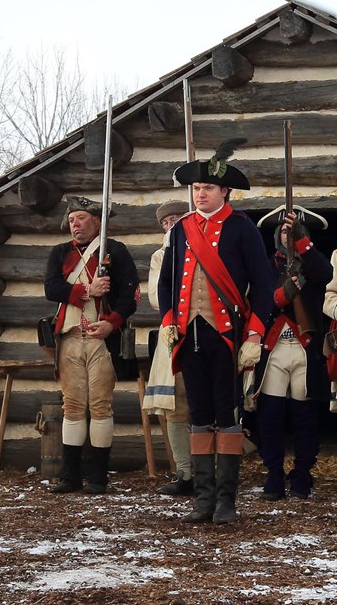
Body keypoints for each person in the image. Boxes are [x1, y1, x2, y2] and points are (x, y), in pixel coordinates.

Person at [158, 139, 273, 525]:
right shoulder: (182, 230)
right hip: (188, 332)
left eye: (208, 188)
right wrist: (170, 320)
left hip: (227, 334)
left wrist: (255, 333)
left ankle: (226, 500)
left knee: (227, 414)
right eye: (196, 188)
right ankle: (203, 499)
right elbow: (167, 283)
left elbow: (262, 283)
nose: (201, 193)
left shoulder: (242, 228)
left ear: (225, 191)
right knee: (198, 412)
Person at [44, 195, 139, 494]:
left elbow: (130, 295)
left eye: (81, 218)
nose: (75, 224)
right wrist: (88, 289)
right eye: (72, 220)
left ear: (97, 221)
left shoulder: (115, 251)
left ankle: (98, 478)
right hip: (70, 336)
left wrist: (112, 322)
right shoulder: (60, 253)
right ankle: (70, 477)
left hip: (102, 339)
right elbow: (52, 288)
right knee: (71, 406)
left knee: (100, 406)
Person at [252, 205, 331, 501]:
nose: (287, 235)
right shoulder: (267, 264)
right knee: (270, 415)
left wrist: (303, 244)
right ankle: (273, 473)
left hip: (305, 349)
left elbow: (325, 274)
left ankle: (302, 474)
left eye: (293, 231)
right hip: (275, 349)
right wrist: (282, 295)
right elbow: (257, 300)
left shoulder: (313, 262)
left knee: (305, 415)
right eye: (284, 231)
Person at [146, 200, 194, 496]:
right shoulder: (159, 257)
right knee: (176, 407)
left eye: (176, 219)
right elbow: (155, 297)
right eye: (166, 223)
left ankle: (212, 471)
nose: (171, 226)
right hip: (173, 333)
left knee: (210, 406)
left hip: (208, 333)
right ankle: (185, 473)